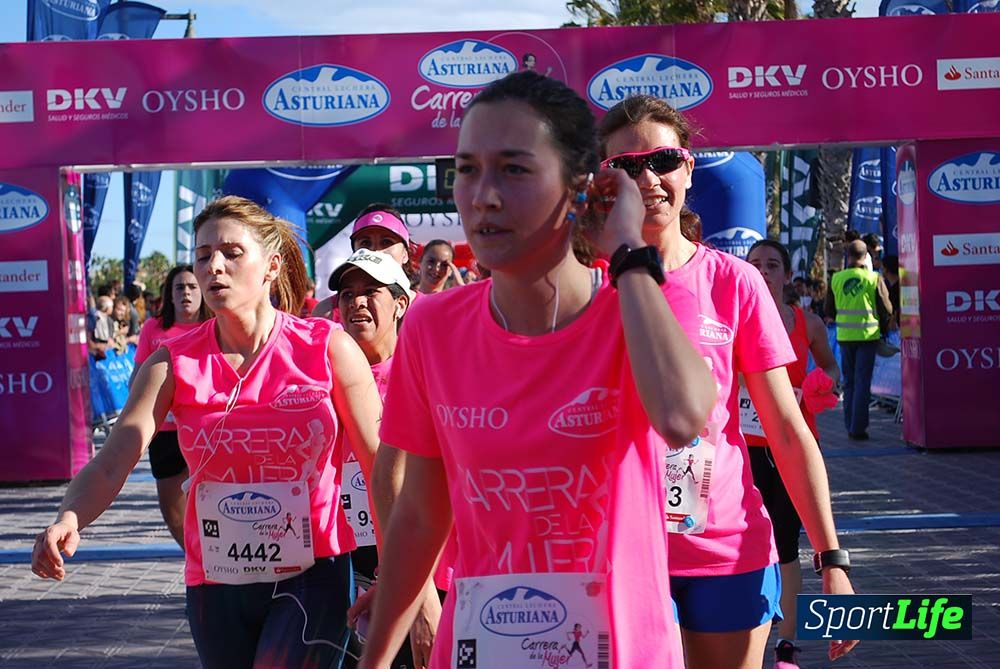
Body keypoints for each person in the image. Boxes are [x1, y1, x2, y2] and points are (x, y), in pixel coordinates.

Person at [357, 71, 716, 669]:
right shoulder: (431, 326)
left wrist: (626, 247)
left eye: (514, 169)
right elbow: (421, 513)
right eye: (467, 169)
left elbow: (682, 417)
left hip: (624, 651)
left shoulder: (640, 301)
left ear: (583, 187)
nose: (484, 195)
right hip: (481, 646)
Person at [32, 195, 384, 669]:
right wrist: (69, 516)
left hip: (314, 572)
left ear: (272, 266)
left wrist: (405, 575)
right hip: (215, 582)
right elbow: (115, 458)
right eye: (202, 256)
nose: (214, 266)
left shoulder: (327, 349)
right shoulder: (171, 365)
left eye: (231, 253)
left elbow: (382, 465)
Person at [598, 94, 858, 668]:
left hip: (725, 549)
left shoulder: (734, 282)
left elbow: (787, 429)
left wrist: (831, 558)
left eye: (662, 161)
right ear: (604, 179)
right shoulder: (584, 289)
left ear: (688, 168)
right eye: (626, 166)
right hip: (617, 555)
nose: (648, 180)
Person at [746, 240, 842, 669]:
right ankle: (749, 637)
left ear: (786, 274)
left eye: (771, 265)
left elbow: (831, 368)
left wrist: (826, 382)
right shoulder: (731, 318)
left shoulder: (809, 323)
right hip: (743, 450)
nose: (763, 271)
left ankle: (785, 645)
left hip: (792, 448)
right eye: (755, 265)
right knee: (746, 547)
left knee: (785, 547)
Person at [130, 264, 211, 548]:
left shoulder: (215, 326)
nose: (186, 293)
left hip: (207, 428)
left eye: (192, 287)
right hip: (164, 431)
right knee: (173, 511)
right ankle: (195, 556)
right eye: (180, 288)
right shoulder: (153, 328)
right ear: (170, 295)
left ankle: (214, 563)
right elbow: (138, 378)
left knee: (208, 504)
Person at [825, 239, 893, 441]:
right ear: (866, 257)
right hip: (867, 336)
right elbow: (886, 308)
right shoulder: (874, 278)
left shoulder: (836, 278)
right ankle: (858, 428)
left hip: (845, 337)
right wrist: (886, 323)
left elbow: (829, 309)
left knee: (849, 383)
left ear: (848, 256)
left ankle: (849, 425)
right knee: (863, 382)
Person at [314, 204, 416, 320]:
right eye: (365, 243)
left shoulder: (428, 309)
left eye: (386, 242)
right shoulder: (326, 312)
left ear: (405, 254)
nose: (376, 251)